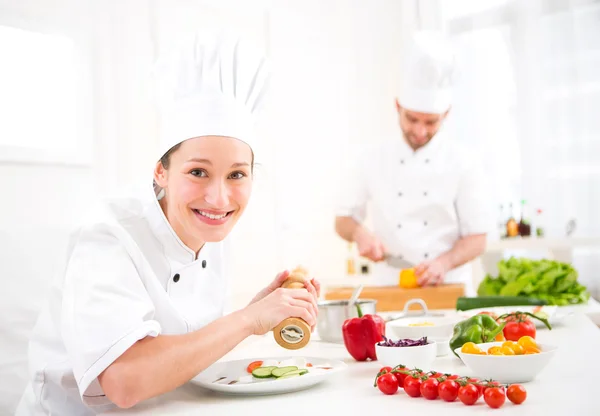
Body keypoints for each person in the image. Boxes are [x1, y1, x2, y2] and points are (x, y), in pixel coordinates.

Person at [16, 31, 320, 415]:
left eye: (237, 175)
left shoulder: (210, 227)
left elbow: (183, 347)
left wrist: (259, 311)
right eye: (198, 171)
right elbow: (125, 380)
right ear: (161, 171)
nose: (219, 198)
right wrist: (247, 320)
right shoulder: (109, 235)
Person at [334, 31, 493, 294]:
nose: (420, 131)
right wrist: (360, 234)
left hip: (448, 288)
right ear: (398, 107)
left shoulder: (464, 162)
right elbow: (343, 219)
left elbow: (478, 238)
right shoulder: (371, 158)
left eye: (431, 122)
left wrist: (443, 263)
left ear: (446, 114)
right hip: (389, 288)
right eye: (412, 119)